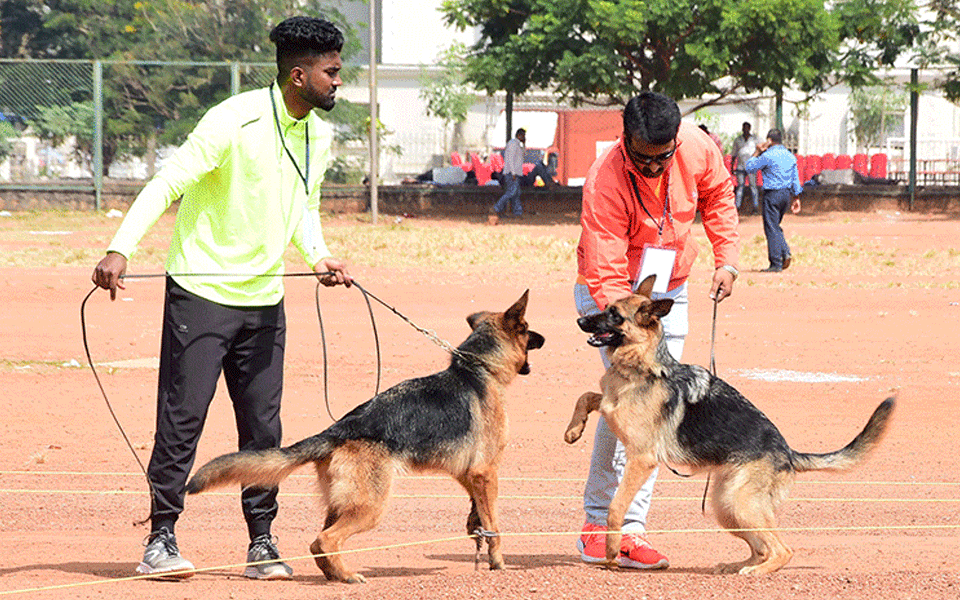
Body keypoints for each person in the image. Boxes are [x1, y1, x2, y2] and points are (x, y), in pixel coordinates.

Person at [90, 16, 352, 580]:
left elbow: (303, 207)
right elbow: (169, 181)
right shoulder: (233, 120)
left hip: (264, 301)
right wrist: (121, 248)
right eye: (331, 72)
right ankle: (160, 539)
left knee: (264, 429)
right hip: (202, 294)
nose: (338, 82)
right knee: (182, 420)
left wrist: (318, 256)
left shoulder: (320, 134)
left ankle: (262, 542)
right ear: (298, 75)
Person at [574, 91, 740, 569]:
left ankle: (629, 528)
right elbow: (605, 269)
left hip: (669, 289)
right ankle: (600, 526)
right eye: (643, 160)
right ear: (626, 140)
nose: (653, 169)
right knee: (629, 405)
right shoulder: (604, 179)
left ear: (675, 142)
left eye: (662, 159)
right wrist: (627, 322)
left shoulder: (699, 147)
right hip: (615, 298)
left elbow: (719, 197)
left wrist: (726, 260)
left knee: (654, 410)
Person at [745, 128, 803, 272]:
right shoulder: (790, 156)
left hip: (772, 194)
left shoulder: (768, 156)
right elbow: (795, 179)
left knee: (771, 227)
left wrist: (757, 152)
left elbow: (750, 167)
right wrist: (796, 197)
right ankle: (785, 252)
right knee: (775, 226)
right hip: (785, 195)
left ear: (769, 140)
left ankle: (776, 263)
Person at [491, 128, 526, 221]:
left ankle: (517, 212)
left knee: (516, 193)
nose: (524, 137)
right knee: (511, 192)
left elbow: (522, 155)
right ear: (519, 135)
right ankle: (496, 208)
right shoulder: (513, 144)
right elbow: (510, 159)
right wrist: (513, 173)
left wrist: (524, 145)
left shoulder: (518, 145)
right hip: (511, 173)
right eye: (523, 136)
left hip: (516, 173)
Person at [730, 122, 760, 214]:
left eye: (747, 128)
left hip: (751, 166)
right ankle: (737, 207)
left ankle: (755, 207)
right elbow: (734, 154)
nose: (745, 130)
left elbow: (759, 150)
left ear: (749, 128)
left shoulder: (754, 139)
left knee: (753, 186)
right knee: (740, 187)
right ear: (742, 129)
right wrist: (732, 166)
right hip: (740, 166)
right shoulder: (738, 140)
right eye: (744, 128)